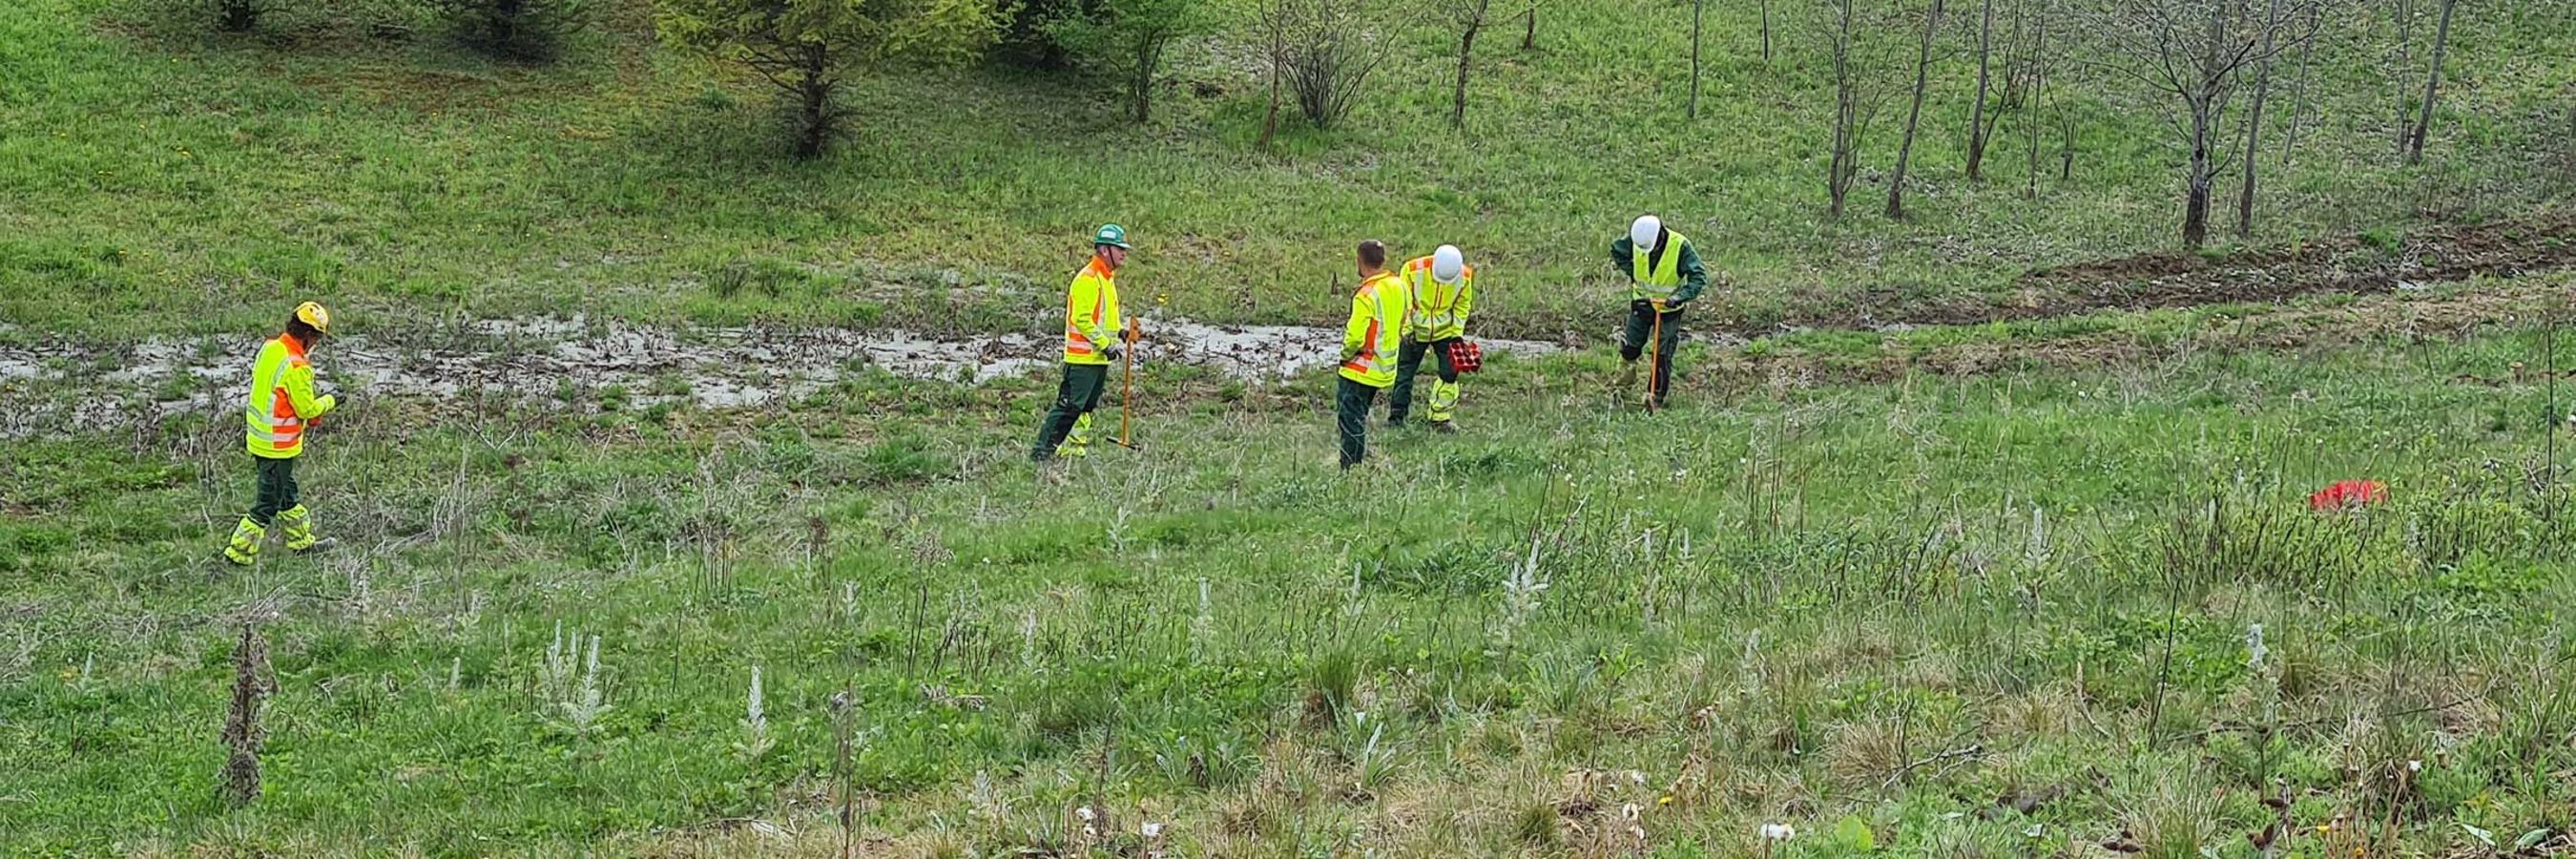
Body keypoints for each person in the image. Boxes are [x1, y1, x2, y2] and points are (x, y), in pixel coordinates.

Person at [222, 302, 341, 565]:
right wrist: (331, 400)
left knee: (287, 494)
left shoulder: (270, 348)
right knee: (266, 505)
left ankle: (302, 543)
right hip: (278, 445)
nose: (316, 344)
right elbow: (307, 409)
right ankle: (237, 554)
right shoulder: (296, 367)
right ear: (309, 335)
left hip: (259, 438)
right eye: (317, 338)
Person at [1030, 224, 1133, 462]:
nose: (1124, 253)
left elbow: (1102, 318)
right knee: (1069, 407)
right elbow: (1082, 319)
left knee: (1084, 408)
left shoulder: (1106, 279)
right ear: (1105, 250)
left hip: (1096, 358)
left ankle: (1071, 449)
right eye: (1119, 248)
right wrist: (1105, 344)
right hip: (1082, 358)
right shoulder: (1088, 279)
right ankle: (1042, 452)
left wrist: (1119, 332)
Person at [1610, 215, 1708, 409]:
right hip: (1642, 304)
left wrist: (1680, 297)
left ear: (1660, 236)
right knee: (1629, 349)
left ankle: (1654, 398)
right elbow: (1617, 251)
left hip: (1669, 310)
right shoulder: (1637, 239)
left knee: (1661, 355)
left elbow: (1698, 277)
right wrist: (1633, 272)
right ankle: (1621, 391)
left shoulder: (1680, 246)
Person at [1336, 240, 1409, 469]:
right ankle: (1360, 463)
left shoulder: (1365, 295)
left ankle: (1351, 469)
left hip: (1359, 370)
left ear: (1359, 261)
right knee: (1360, 417)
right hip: (1385, 367)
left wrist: (1344, 355)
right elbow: (1404, 320)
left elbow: (1355, 338)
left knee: (1351, 423)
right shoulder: (1399, 285)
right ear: (1383, 260)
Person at [1387, 244, 1474, 433]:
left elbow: (1462, 304)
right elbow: (1404, 301)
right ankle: (1397, 418)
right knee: (1404, 374)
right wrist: (1407, 330)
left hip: (1445, 330)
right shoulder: (1412, 269)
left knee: (1450, 374)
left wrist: (1457, 334)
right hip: (1415, 330)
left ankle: (1440, 418)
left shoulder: (1465, 275)